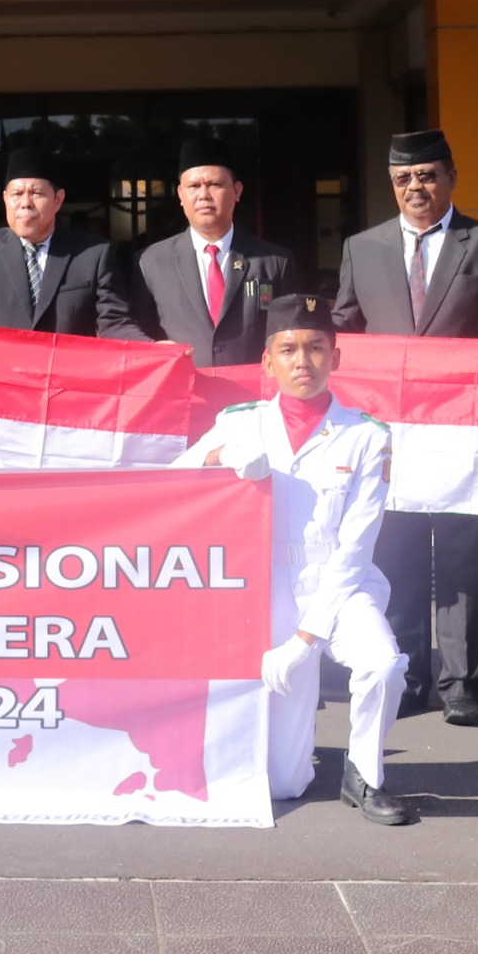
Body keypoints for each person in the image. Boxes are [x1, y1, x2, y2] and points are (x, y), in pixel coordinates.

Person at [178, 294, 415, 825]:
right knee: (284, 784)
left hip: (340, 581)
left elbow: (356, 549)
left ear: (336, 357)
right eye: (288, 350)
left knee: (382, 664)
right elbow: (177, 479)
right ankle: (296, 753)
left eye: (315, 348)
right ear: (268, 362)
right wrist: (221, 457)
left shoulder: (366, 437)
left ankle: (365, 774)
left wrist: (305, 641)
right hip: (267, 585)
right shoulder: (240, 422)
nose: (301, 361)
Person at [332, 129, 478, 725]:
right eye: (403, 179)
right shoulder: (361, 249)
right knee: (395, 554)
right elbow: (345, 328)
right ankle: (410, 673)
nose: (415, 188)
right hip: (390, 432)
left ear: (450, 177)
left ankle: (464, 682)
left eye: (426, 176)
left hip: (466, 428)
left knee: (466, 553)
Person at [130, 135, 296, 366]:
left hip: (254, 393)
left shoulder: (275, 260)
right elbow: (138, 327)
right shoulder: (151, 261)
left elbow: (291, 331)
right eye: (194, 186)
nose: (204, 195)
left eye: (215, 185)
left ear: (237, 191)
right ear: (180, 194)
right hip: (182, 389)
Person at [0, 149, 135, 337]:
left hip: (69, 365)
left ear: (58, 200)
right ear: (5, 199)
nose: (26, 203)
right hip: (3, 365)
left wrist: (155, 350)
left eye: (36, 193)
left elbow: (115, 322)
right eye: (17, 194)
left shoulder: (94, 253)